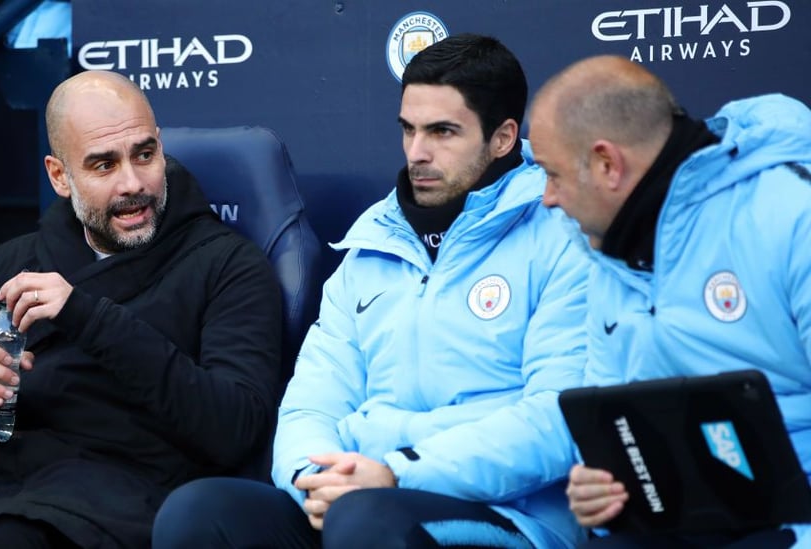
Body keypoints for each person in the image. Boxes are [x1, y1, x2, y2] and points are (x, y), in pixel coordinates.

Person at [152, 34, 589, 548]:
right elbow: (311, 404)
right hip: (360, 494)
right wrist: (311, 479)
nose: (417, 153)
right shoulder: (374, 241)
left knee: (367, 521)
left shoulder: (563, 232)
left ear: (503, 137)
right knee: (201, 511)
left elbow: (559, 417)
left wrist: (398, 474)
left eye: (443, 132)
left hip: (508, 512)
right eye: (408, 130)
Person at [0, 70, 283, 547]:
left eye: (145, 154)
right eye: (103, 165)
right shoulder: (16, 262)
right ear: (59, 176)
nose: (133, 183)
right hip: (11, 486)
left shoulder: (228, 263)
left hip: (139, 494)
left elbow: (235, 430)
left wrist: (87, 316)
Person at [528, 55, 811, 548]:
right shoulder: (606, 254)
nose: (547, 198)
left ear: (607, 164)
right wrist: (601, 488)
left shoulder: (792, 215)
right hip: (682, 521)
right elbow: (610, 423)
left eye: (552, 174)